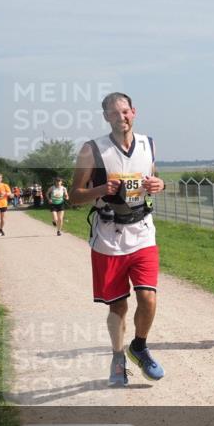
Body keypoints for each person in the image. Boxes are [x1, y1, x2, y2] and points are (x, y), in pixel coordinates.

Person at [69, 92, 166, 386]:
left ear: (133, 112)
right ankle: (117, 356)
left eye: (124, 112)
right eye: (113, 114)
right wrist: (99, 190)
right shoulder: (91, 150)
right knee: (118, 306)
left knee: (148, 297)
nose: (120, 118)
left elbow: (152, 177)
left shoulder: (149, 144)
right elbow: (74, 196)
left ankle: (139, 345)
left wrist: (158, 184)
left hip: (142, 233)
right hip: (109, 238)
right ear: (105, 117)